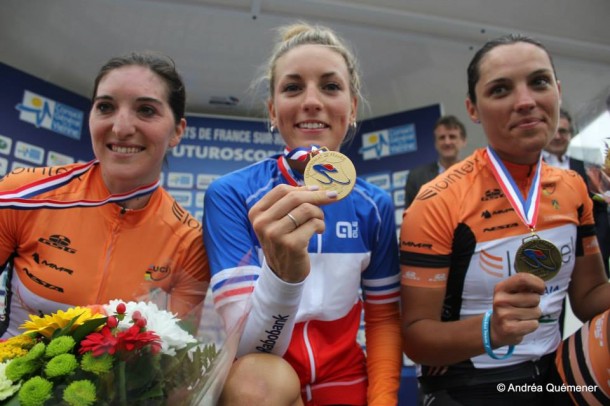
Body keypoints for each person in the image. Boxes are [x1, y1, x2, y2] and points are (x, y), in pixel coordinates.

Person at [399, 33, 610, 405]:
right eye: (500, 90)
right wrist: (489, 330)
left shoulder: (575, 187)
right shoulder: (437, 199)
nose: (526, 101)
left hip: (553, 375)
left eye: (539, 82)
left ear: (558, 92)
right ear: (473, 108)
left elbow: (590, 299)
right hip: (467, 387)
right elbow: (417, 339)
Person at [203, 22, 401, 405]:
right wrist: (284, 275)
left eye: (330, 86)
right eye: (293, 87)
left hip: (344, 378)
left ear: (352, 107)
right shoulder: (231, 194)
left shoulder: (375, 205)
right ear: (273, 111)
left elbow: (382, 320)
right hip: (263, 382)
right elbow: (248, 346)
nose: (312, 101)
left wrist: (382, 402)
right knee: (257, 387)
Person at [0, 52, 209, 338]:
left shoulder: (189, 243)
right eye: (106, 107)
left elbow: (174, 362)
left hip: (120, 383)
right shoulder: (20, 195)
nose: (121, 128)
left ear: (177, 131)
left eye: (146, 110)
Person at [543, 108, 610, 276]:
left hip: (587, 255)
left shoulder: (587, 167)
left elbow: (600, 210)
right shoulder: (528, 168)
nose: (558, 136)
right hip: (546, 254)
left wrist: (599, 248)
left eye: (563, 131)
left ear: (570, 134)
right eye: (555, 131)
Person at [404, 115, 467, 208]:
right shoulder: (416, 177)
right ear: (435, 143)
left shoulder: (475, 175)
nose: (447, 142)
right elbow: (410, 218)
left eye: (452, 137)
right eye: (442, 137)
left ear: (463, 141)